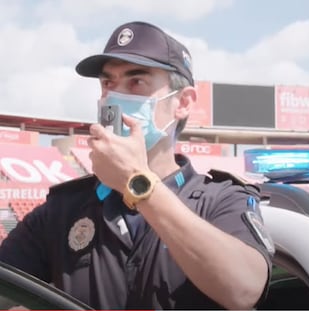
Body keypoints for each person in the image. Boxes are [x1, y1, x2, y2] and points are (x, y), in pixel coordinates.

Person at [0, 21, 274, 310]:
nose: (116, 97)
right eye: (108, 83)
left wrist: (138, 183)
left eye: (136, 82)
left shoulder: (222, 199)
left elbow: (244, 290)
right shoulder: (62, 209)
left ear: (183, 102)